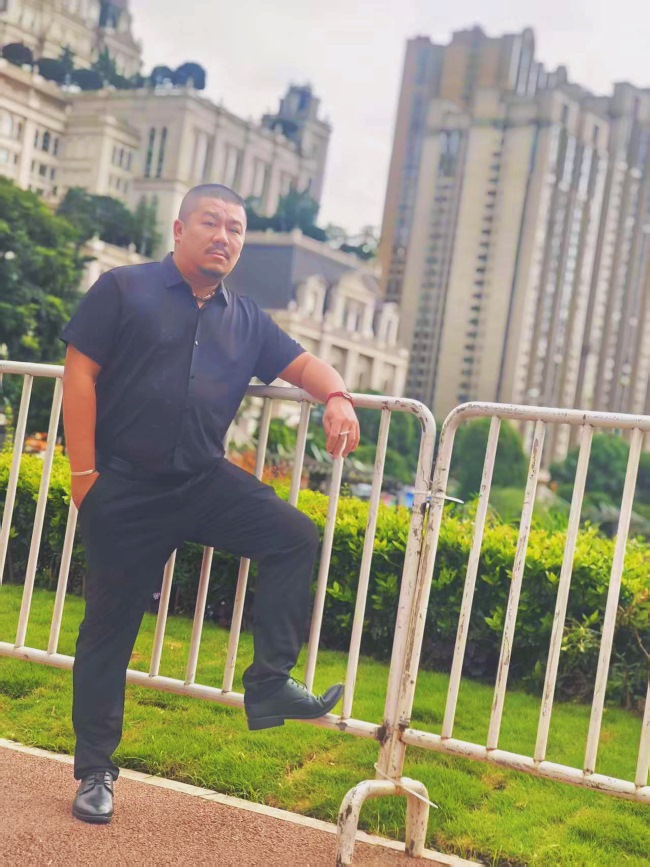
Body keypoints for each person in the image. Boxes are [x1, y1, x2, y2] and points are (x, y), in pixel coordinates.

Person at [61, 183, 360, 824]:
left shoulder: (246, 318)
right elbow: (79, 372)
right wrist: (84, 475)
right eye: (211, 222)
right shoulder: (123, 288)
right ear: (179, 229)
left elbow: (306, 366)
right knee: (108, 632)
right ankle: (95, 771)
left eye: (235, 228)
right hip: (124, 487)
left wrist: (337, 396)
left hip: (202, 481)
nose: (223, 236)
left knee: (293, 535)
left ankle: (269, 682)